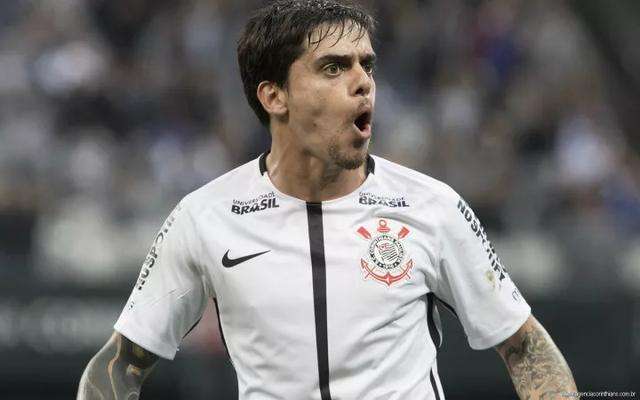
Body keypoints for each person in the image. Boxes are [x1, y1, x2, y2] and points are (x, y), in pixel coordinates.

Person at [77, 1, 578, 399]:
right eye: (334, 67)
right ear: (274, 96)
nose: (363, 82)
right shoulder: (204, 218)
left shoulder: (433, 207)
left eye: (367, 65)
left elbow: (525, 346)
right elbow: (120, 366)